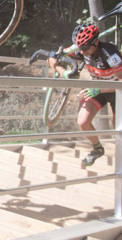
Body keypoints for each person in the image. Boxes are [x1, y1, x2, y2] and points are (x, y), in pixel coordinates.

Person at [47, 22, 122, 166]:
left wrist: (99, 89)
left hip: (115, 90)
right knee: (82, 121)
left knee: (117, 129)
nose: (81, 52)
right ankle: (97, 149)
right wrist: (65, 72)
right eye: (80, 48)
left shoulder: (109, 53)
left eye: (85, 48)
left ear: (96, 42)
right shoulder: (81, 47)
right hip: (97, 88)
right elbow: (52, 57)